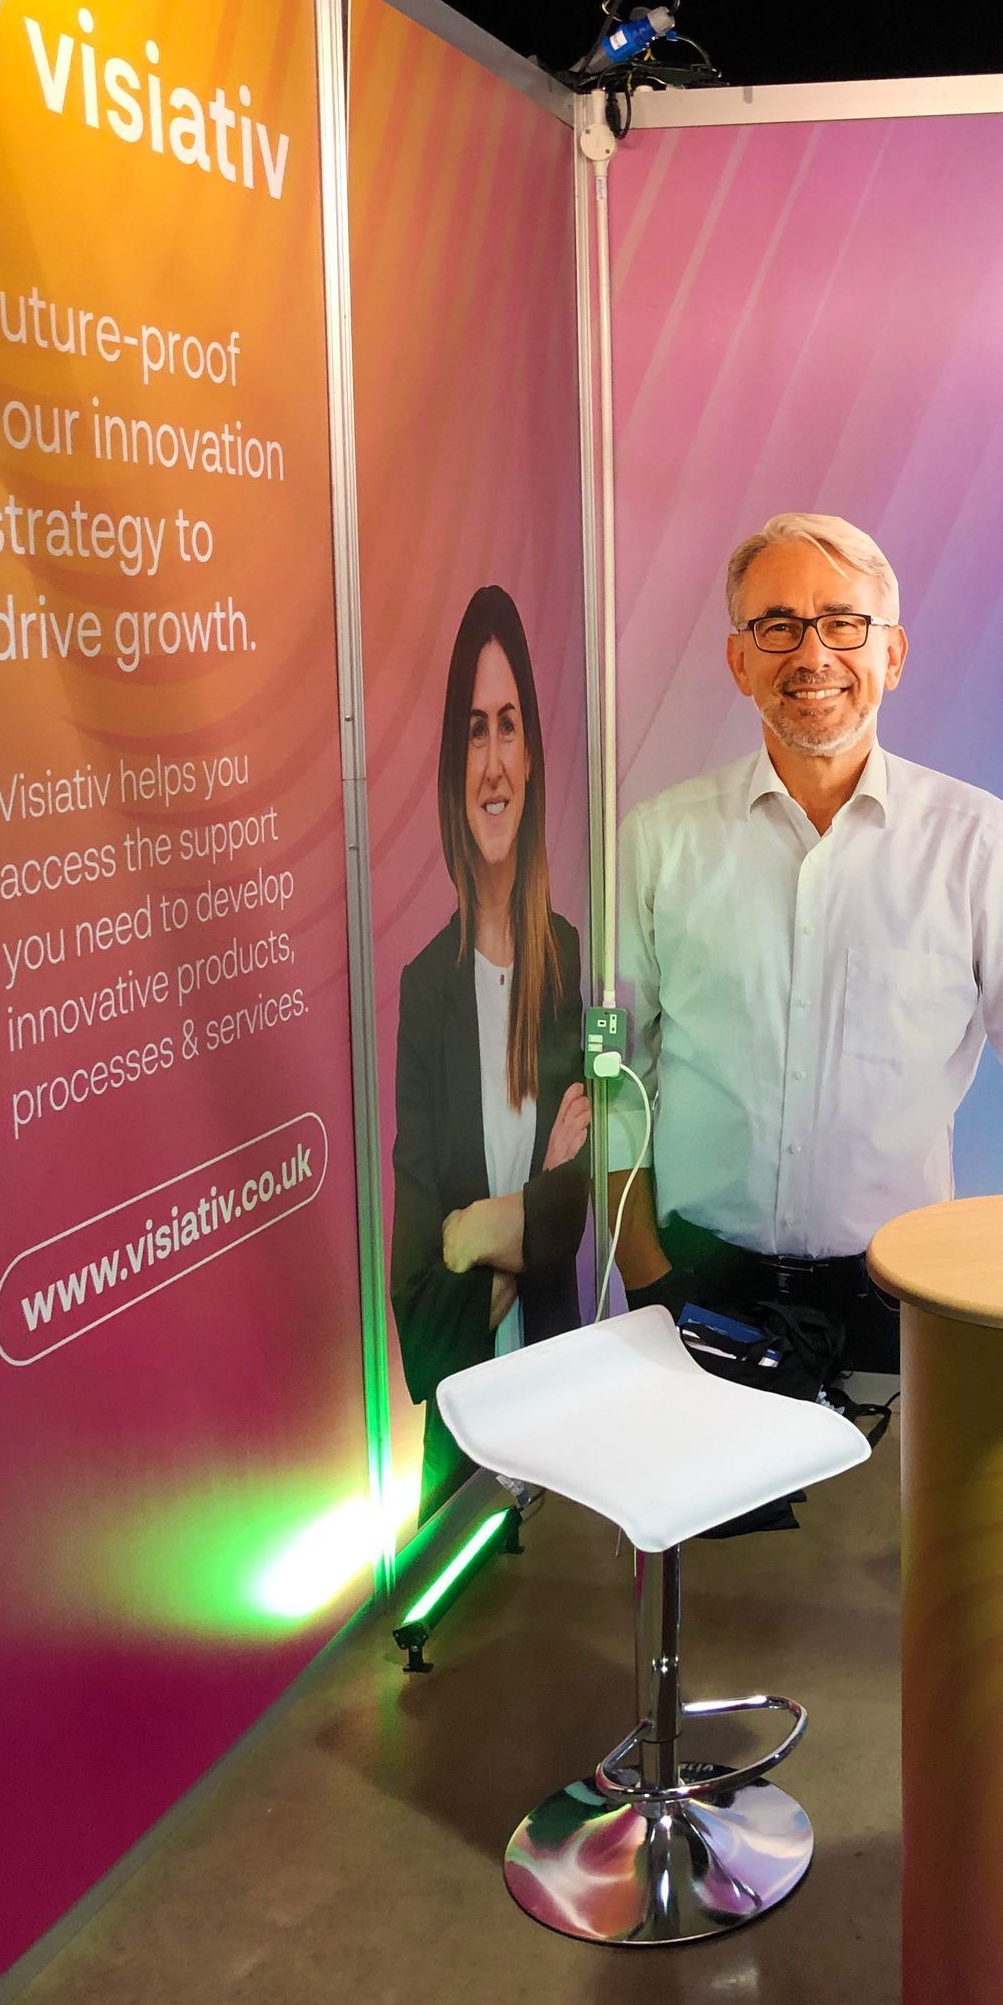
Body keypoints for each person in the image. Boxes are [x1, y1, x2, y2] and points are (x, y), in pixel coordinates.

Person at [609, 511, 1003, 1380]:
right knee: (706, 1520)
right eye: (776, 625)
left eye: (843, 623)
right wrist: (649, 1280)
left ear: (891, 655)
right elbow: (615, 1082)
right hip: (696, 1294)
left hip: (902, 1305)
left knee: (890, 1523)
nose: (811, 655)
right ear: (739, 661)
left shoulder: (981, 844)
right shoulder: (658, 842)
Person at [390, 585, 589, 1517]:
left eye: (509, 725)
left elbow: (579, 1210)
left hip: (563, 1424)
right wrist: (527, 1213)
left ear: (535, 751)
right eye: (474, 730)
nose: (494, 759)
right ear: (451, 762)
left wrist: (478, 1232)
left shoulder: (567, 961)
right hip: (461, 1451)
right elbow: (423, 1332)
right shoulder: (425, 993)